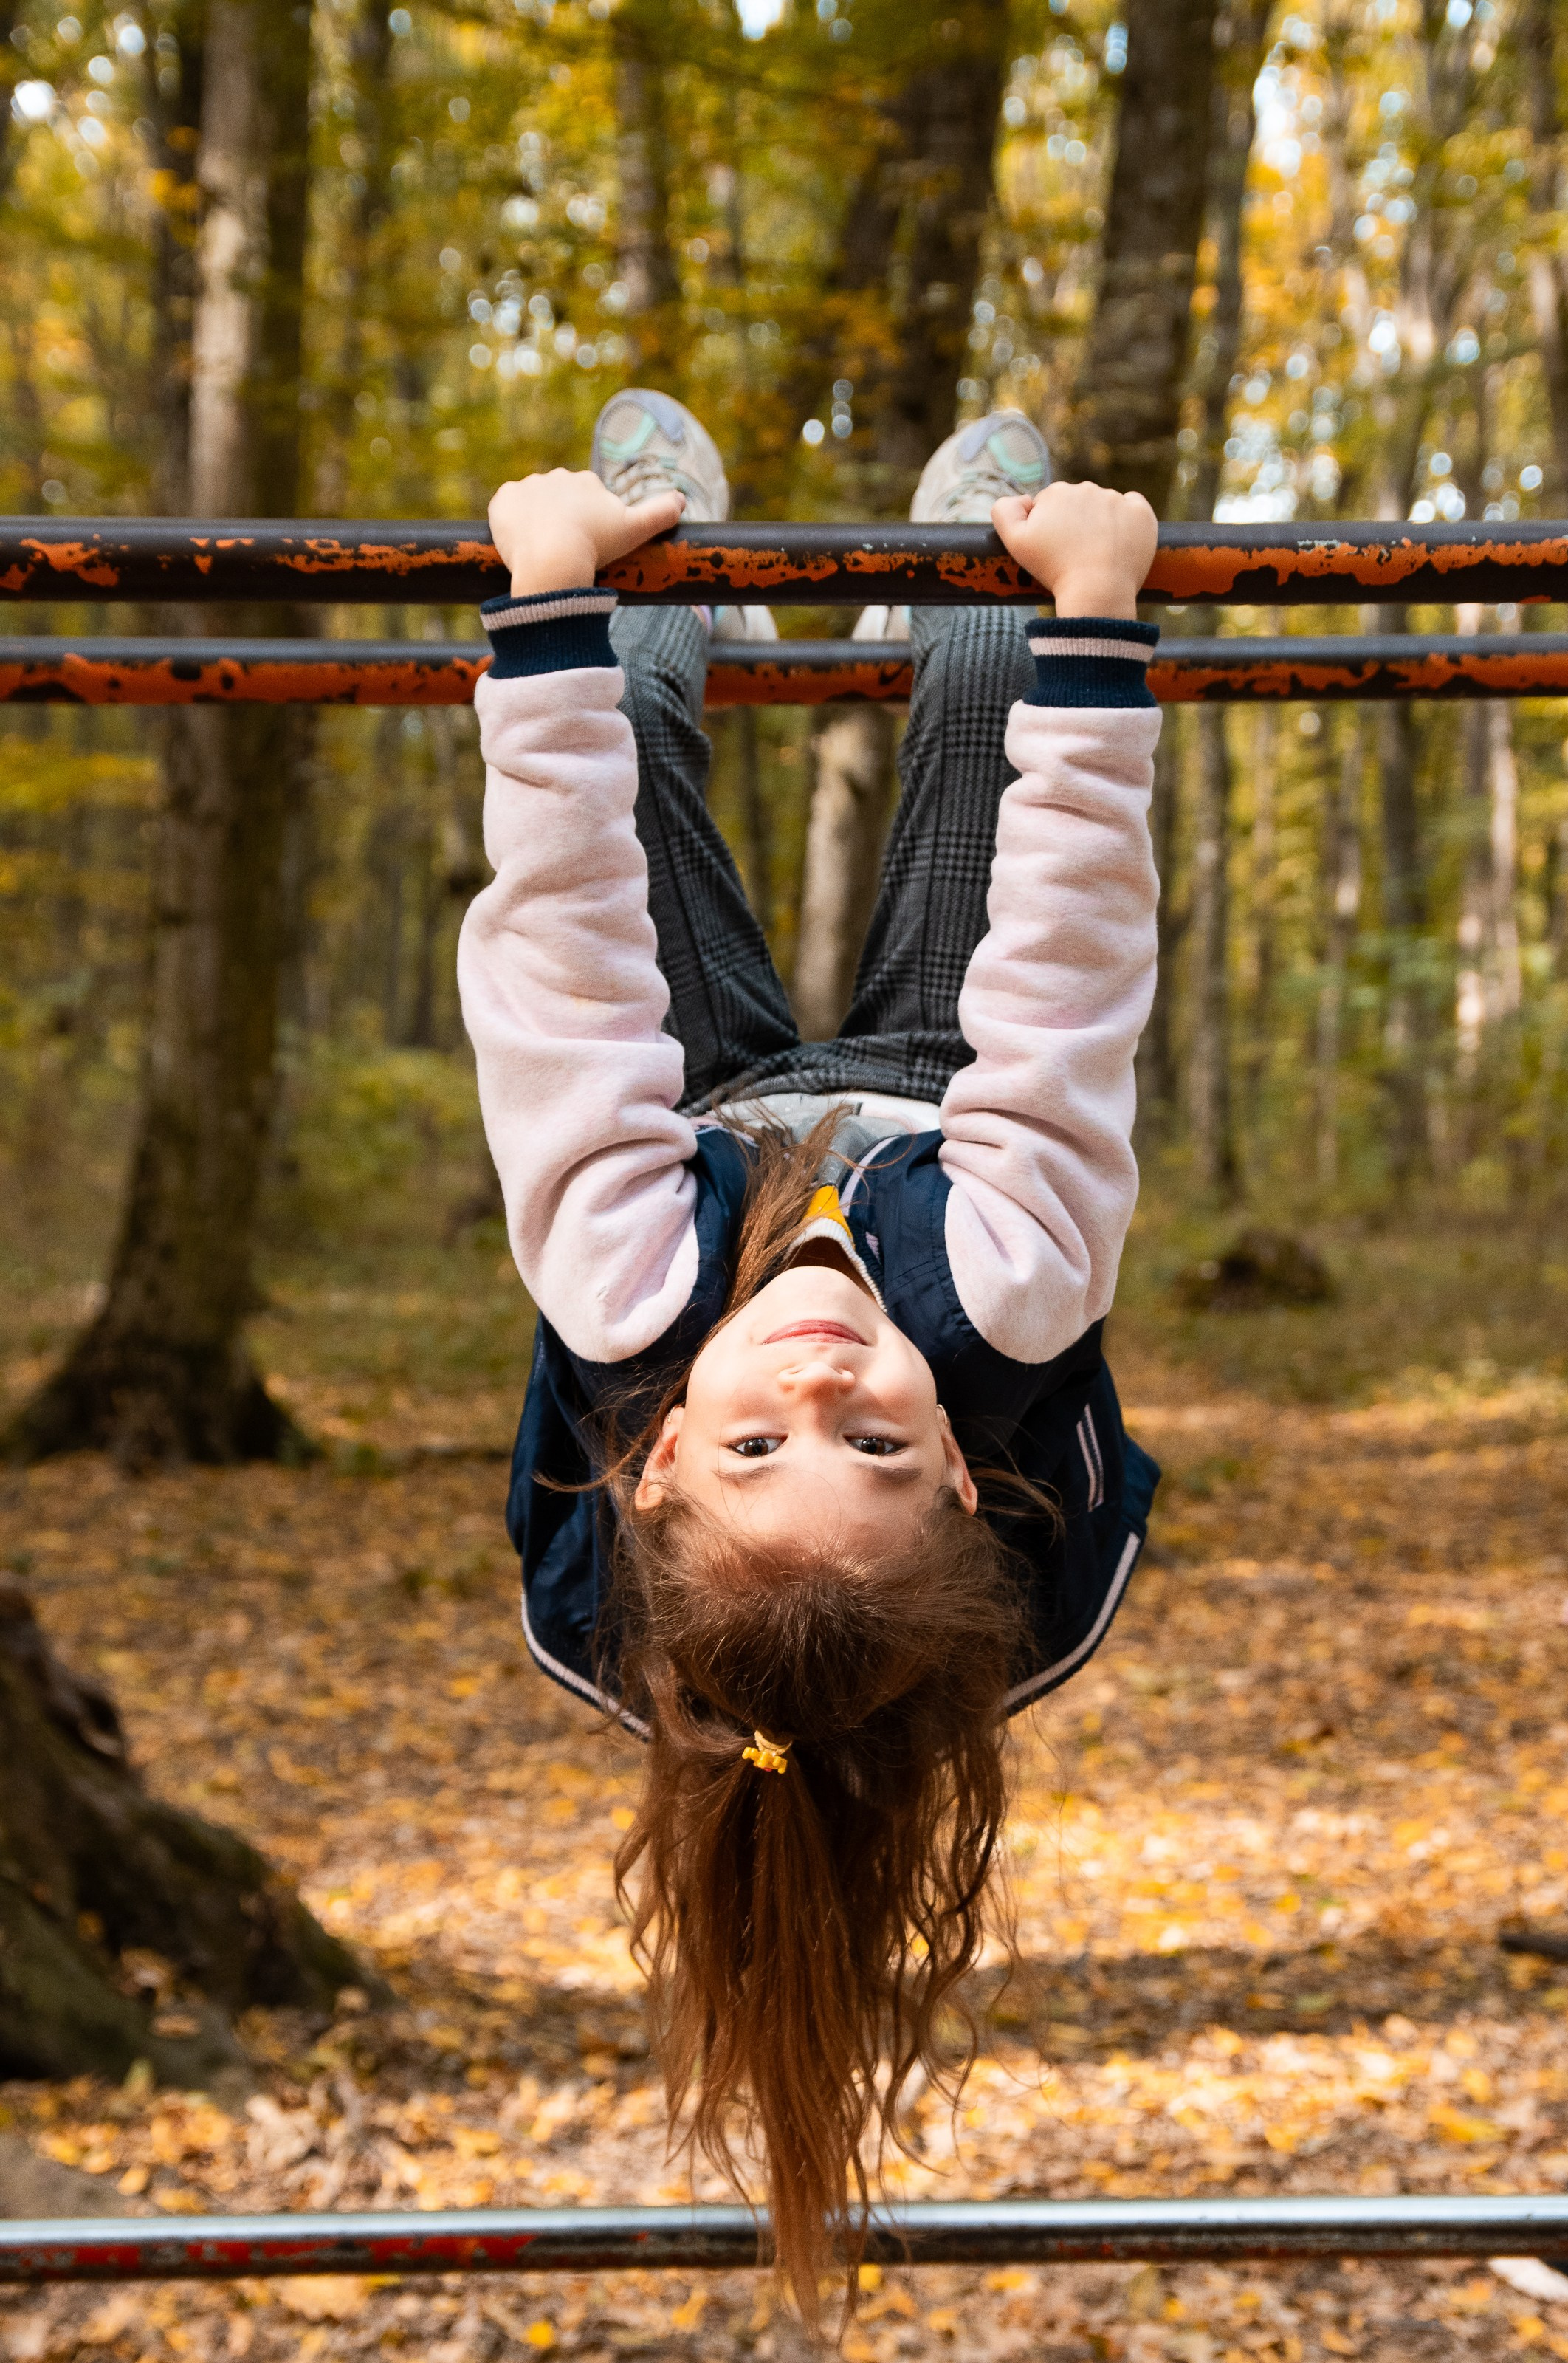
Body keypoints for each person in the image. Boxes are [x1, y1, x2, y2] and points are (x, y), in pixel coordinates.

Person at [457, 388, 1163, 2319]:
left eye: (761, 1446)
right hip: (948, 1123)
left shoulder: (630, 1280)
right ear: (959, 1471)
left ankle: (687, 580)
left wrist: (545, 593)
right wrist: (1094, 621)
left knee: (620, 635)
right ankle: (970, 599)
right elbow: (1076, 964)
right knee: (1003, 639)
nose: (819, 1378)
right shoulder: (1009, 1284)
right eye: (868, 1440)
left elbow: (563, 939)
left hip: (694, 1125)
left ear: (661, 1460)